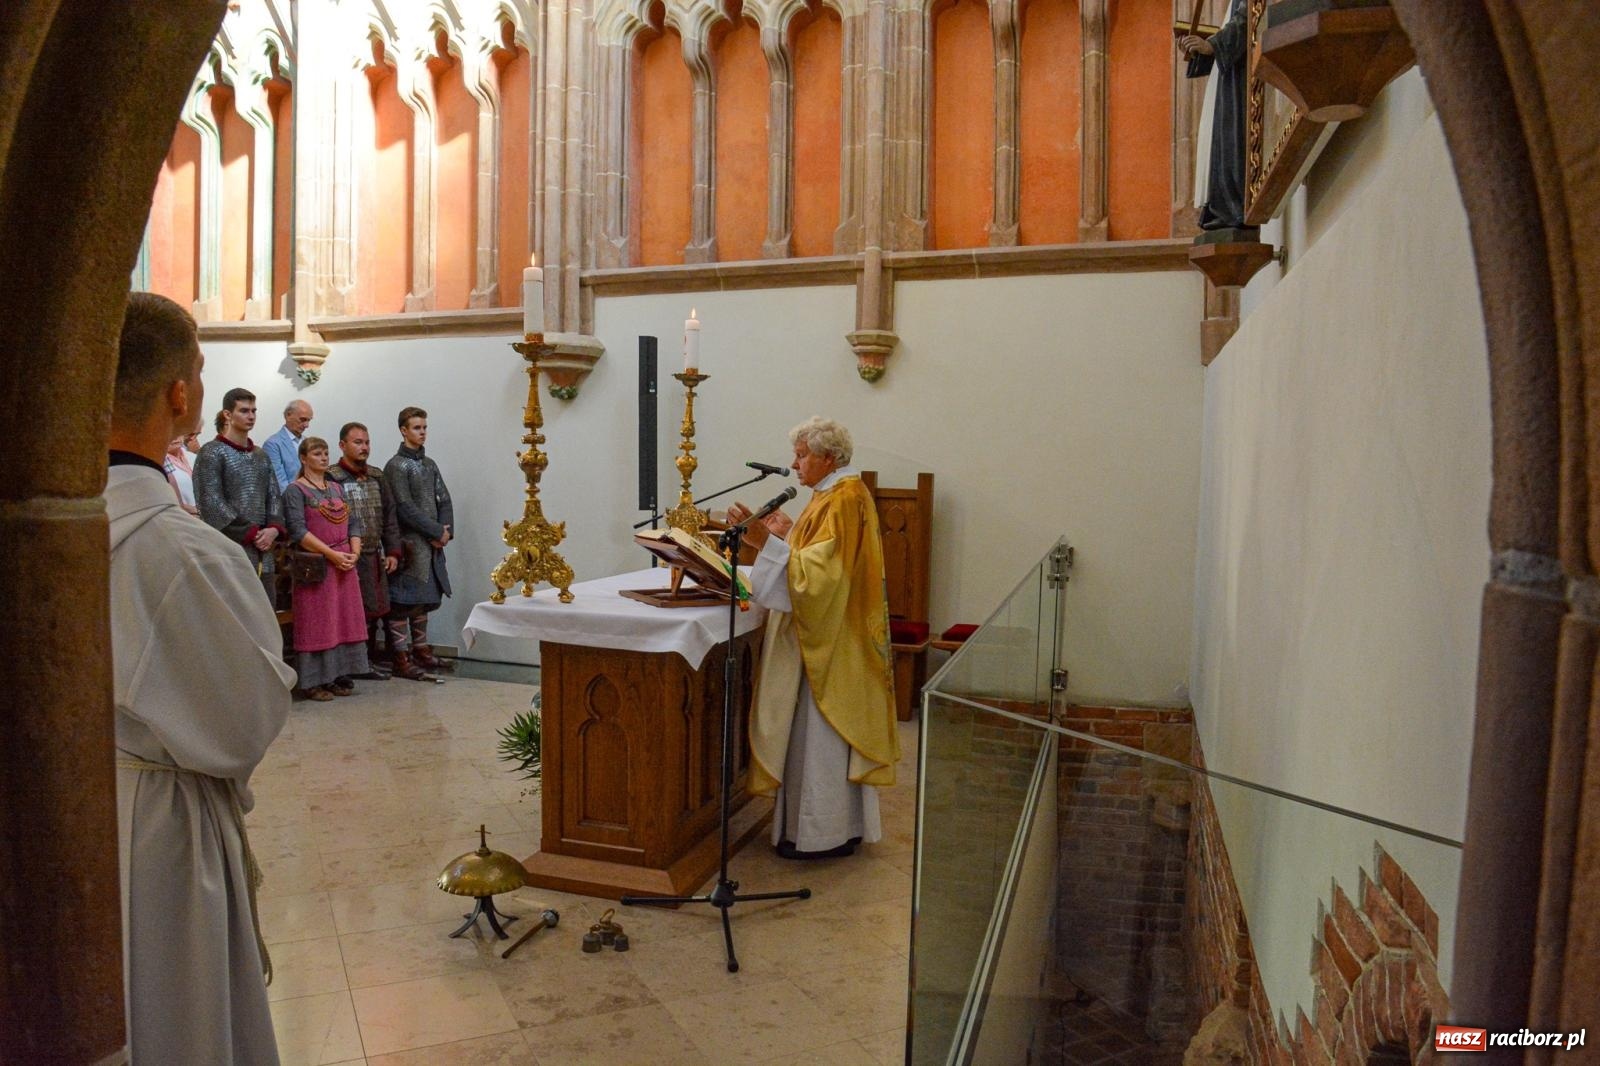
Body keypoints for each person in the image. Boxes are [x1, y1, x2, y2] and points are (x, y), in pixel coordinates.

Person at [106, 291, 294, 1065]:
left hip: (59, 811)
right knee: (175, 1018)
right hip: (159, 827)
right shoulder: (182, 554)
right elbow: (241, 722)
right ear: (180, 395)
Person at [730, 416, 900, 859]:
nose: (794, 463)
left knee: (818, 740)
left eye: (802, 455)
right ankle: (831, 828)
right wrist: (785, 534)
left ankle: (821, 834)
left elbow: (821, 578)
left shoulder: (843, 498)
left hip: (829, 642)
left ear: (828, 457)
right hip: (832, 635)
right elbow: (819, 556)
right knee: (818, 741)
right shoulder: (835, 494)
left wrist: (763, 542)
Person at [283, 436, 371, 700]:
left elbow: (353, 522)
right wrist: (331, 554)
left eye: (325, 453)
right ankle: (312, 682)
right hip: (317, 565)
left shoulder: (336, 488)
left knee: (342, 619)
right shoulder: (295, 491)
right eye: (317, 453)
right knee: (317, 621)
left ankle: (336, 676)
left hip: (344, 563)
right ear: (303, 458)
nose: (323, 457)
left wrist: (353, 552)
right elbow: (298, 530)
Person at [328, 421, 405, 679]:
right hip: (344, 555)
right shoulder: (331, 477)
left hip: (373, 552)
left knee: (374, 609)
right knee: (351, 610)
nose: (364, 447)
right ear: (342, 445)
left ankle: (369, 660)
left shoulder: (377, 476)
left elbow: (390, 515)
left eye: (367, 442)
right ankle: (351, 664)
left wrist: (393, 551)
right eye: (357, 442)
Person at [194, 388, 285, 603]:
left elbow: (274, 495)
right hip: (229, 549)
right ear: (227, 414)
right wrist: (251, 532)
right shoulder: (212, 452)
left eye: (254, 411)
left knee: (265, 616)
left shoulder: (261, 455)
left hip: (264, 550)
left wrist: (273, 529)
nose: (251, 416)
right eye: (244, 411)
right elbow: (211, 503)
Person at [384, 406, 454, 675]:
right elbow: (404, 507)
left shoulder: (429, 464)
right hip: (411, 544)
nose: (422, 432)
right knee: (404, 602)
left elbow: (444, 499)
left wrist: (445, 531)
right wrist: (435, 532)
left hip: (432, 543)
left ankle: (421, 650)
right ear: (403, 430)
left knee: (423, 600)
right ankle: (401, 656)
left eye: (424, 427)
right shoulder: (396, 466)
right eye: (416, 427)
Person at [1180, 0, 1248, 232]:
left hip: (1237, 84)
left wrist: (1213, 44)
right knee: (1219, 140)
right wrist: (1201, 48)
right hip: (1226, 78)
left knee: (1228, 137)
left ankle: (1232, 208)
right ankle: (1223, 207)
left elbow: (1248, 21)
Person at [263, 398, 313, 493]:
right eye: (302, 419)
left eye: (309, 420)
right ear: (288, 415)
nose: (306, 425)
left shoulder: (308, 442)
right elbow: (278, 483)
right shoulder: (273, 444)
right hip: (289, 501)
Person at [163, 431, 200, 514]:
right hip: (179, 515)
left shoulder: (193, 457)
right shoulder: (160, 461)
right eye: (170, 433)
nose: (175, 437)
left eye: (178, 430)